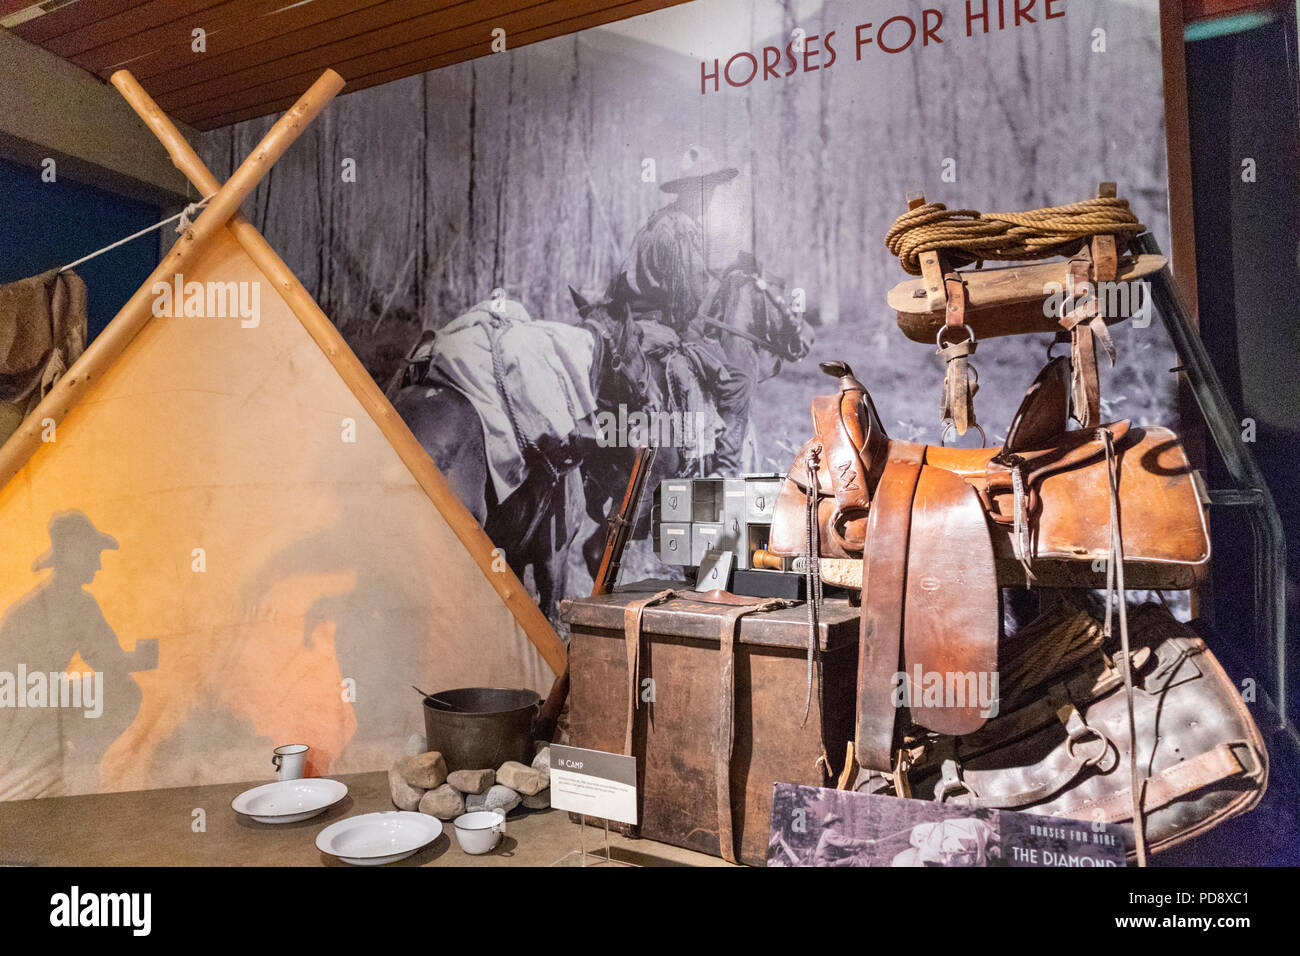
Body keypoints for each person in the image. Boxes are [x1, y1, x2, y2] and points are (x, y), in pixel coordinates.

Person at [621, 146, 753, 474]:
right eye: (705, 189)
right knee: (737, 382)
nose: (710, 197)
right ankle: (726, 470)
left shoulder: (654, 224)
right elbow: (689, 299)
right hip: (663, 329)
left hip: (633, 326)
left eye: (712, 189)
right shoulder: (682, 229)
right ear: (693, 192)